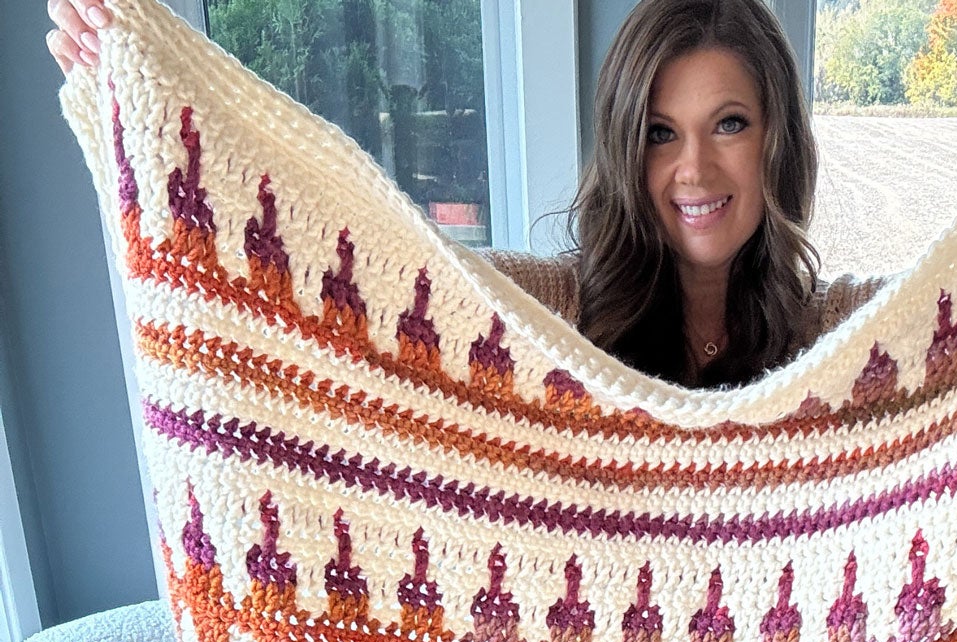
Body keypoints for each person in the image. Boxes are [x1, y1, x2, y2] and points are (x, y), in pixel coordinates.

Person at [47, 0, 883, 389]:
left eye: (729, 124)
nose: (692, 169)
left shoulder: (836, 333)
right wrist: (146, 98)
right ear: (625, 150)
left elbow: (956, 320)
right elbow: (358, 277)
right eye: (660, 133)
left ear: (778, 137)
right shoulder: (556, 307)